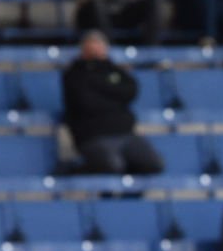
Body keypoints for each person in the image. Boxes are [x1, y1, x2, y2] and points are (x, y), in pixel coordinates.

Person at [61, 30, 164, 175]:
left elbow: (131, 91)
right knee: (113, 166)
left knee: (154, 164)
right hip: (93, 136)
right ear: (83, 49)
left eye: (99, 45)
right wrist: (116, 99)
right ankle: (75, 172)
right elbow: (85, 103)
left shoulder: (113, 69)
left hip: (125, 133)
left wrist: (99, 88)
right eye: (92, 45)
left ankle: (129, 198)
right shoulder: (75, 74)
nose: (97, 50)